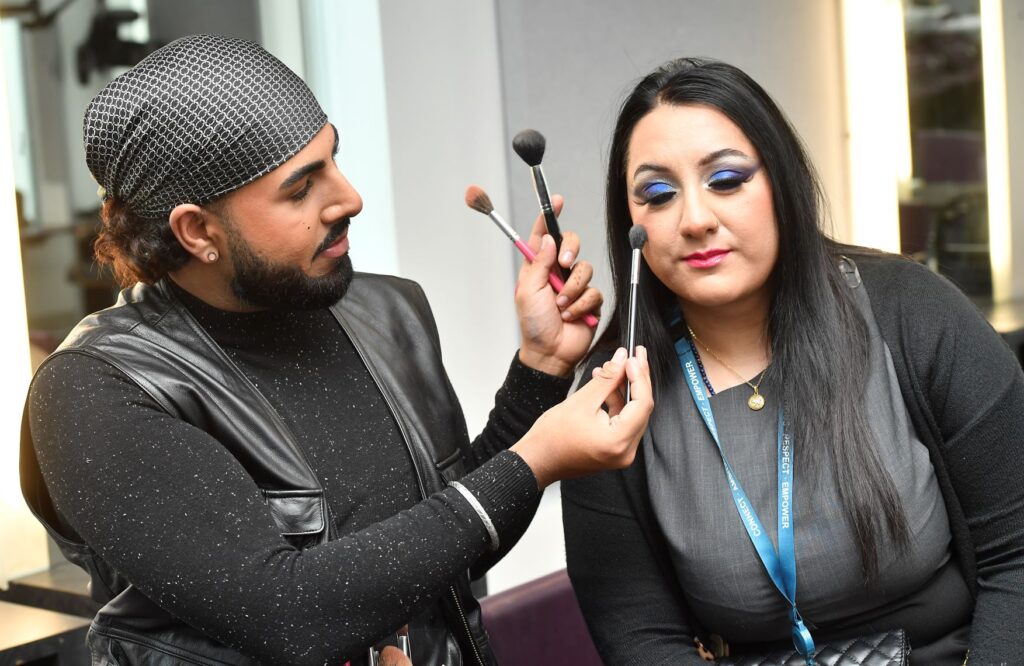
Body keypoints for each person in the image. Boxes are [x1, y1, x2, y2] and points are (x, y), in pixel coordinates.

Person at [20, 34, 653, 666]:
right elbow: (284, 612)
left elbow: (448, 539)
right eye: (301, 189)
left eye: (334, 160)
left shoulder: (387, 314)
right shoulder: (99, 390)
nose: (350, 198)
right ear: (197, 230)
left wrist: (540, 370)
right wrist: (535, 462)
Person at [562, 57, 1024, 665]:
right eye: (658, 193)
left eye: (726, 180)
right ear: (632, 226)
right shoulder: (614, 393)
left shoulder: (913, 311)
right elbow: (639, 638)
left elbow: (1015, 559)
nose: (695, 219)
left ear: (781, 183)